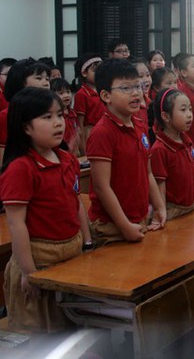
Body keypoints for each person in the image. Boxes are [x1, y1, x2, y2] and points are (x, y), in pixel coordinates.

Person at [0, 87, 92, 333]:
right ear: (25, 127)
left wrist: (87, 243)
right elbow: (16, 224)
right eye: (47, 117)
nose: (58, 123)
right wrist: (29, 272)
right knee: (40, 335)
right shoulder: (21, 168)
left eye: (60, 115)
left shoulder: (67, 159)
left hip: (71, 254)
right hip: (39, 260)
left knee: (69, 329)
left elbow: (76, 203)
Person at [86, 59, 166, 246]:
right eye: (125, 89)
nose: (136, 93)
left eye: (137, 87)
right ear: (106, 95)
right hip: (111, 226)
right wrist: (124, 225)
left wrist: (159, 206)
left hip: (138, 218)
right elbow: (102, 187)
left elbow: (147, 172)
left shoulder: (139, 124)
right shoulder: (103, 132)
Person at [149, 88, 194, 220]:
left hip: (191, 206)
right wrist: (161, 214)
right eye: (183, 110)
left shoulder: (187, 141)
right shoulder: (159, 149)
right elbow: (160, 188)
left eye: (190, 109)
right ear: (165, 116)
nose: (189, 114)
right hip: (172, 212)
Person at [0, 58, 52, 163]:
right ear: (21, 82)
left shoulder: (49, 112)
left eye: (47, 79)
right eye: (39, 78)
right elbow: (3, 159)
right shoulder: (6, 116)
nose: (46, 83)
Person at [73, 52, 104, 153]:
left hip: (104, 130)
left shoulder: (104, 90)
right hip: (90, 132)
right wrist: (83, 147)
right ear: (84, 73)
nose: (100, 74)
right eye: (95, 70)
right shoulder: (82, 94)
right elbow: (80, 124)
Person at [51, 77, 81, 156]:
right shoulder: (54, 117)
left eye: (68, 92)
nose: (66, 95)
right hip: (62, 153)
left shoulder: (73, 113)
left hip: (75, 152)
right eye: (61, 93)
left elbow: (78, 131)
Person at [133, 59, 153, 125]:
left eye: (148, 75)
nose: (146, 79)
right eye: (140, 76)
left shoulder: (150, 103)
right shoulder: (131, 106)